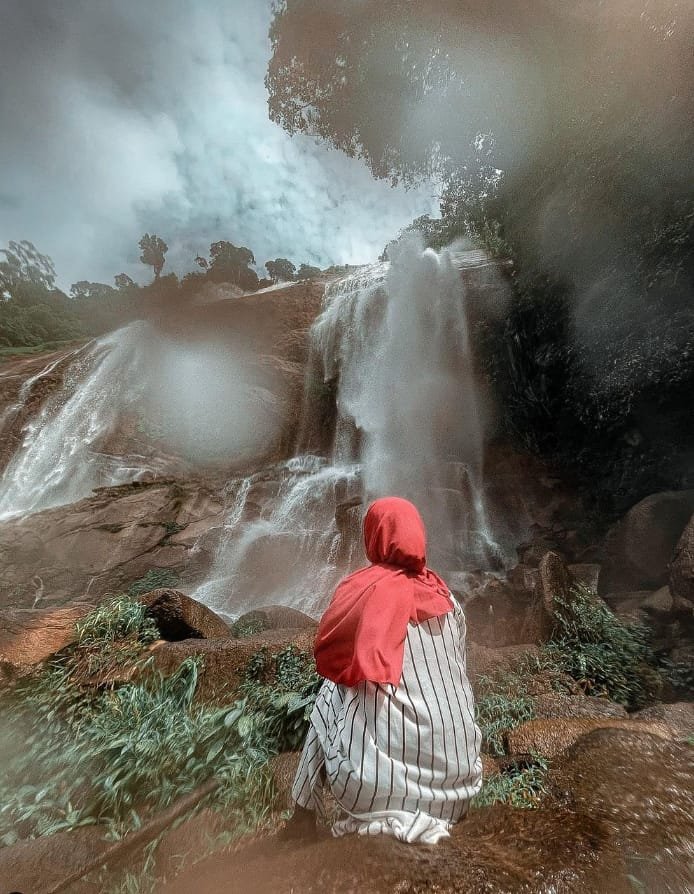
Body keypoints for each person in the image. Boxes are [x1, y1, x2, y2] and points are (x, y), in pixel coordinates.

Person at [287, 496, 482, 844]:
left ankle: (301, 812)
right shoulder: (448, 600)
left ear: (374, 536)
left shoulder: (361, 593)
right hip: (460, 789)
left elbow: (328, 656)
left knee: (333, 687)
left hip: (376, 790)